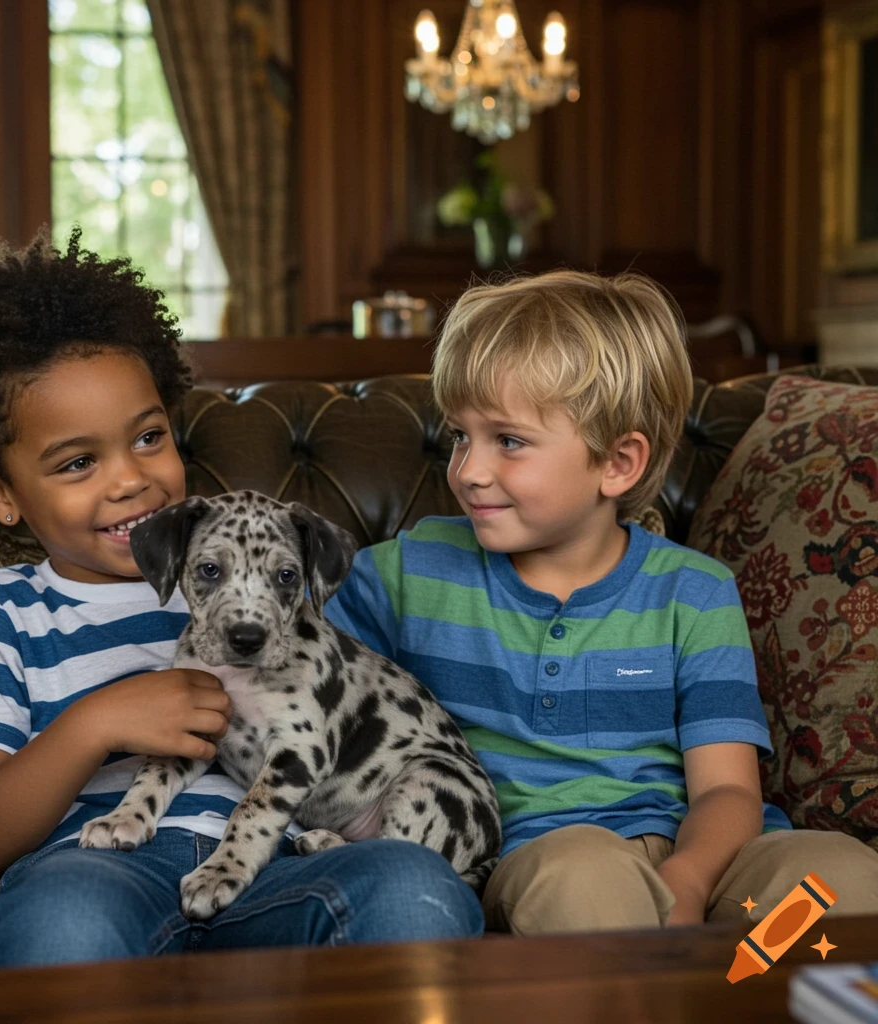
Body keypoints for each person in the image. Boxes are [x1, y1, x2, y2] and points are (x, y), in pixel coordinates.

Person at [0, 228, 482, 969]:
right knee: (61, 918)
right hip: (103, 870)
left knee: (413, 889)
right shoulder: (2, 609)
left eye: (148, 438)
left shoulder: (247, 574)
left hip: (285, 867)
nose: (129, 479)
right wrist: (98, 722)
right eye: (79, 461)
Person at [326, 269, 878, 935]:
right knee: (587, 879)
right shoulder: (413, 571)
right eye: (459, 436)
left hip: (709, 853)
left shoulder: (695, 592)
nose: (468, 470)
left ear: (618, 463)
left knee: (841, 877)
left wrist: (691, 879)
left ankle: (753, 995)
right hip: (540, 855)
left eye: (508, 440)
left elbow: (728, 790)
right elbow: (289, 655)